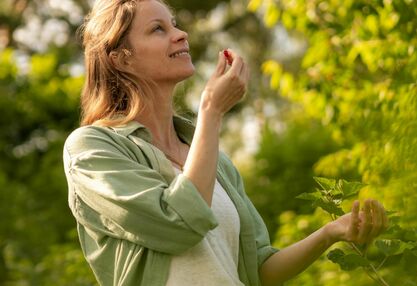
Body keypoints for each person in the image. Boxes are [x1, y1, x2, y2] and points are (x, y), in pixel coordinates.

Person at [63, 0, 388, 285]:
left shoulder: (212, 159)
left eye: (174, 24)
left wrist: (331, 233)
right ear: (122, 59)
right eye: (158, 29)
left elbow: (259, 270)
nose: (181, 34)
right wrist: (211, 110)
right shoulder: (92, 148)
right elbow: (178, 224)